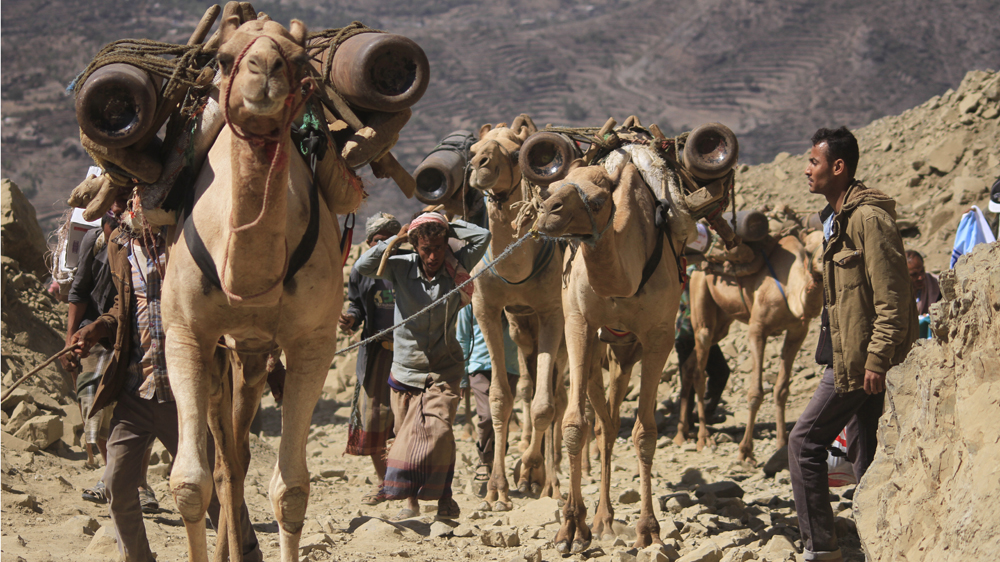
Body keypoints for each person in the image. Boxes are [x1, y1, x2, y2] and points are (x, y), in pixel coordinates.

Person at [70, 194, 263, 562]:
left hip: (186, 397)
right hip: (136, 391)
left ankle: (248, 556)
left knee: (217, 488)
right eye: (125, 203)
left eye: (137, 199)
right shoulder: (119, 246)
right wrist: (98, 327)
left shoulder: (189, 239)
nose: (129, 208)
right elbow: (124, 306)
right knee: (117, 486)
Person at [790, 126, 918, 562]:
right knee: (868, 454)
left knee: (803, 444)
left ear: (838, 167)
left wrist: (877, 359)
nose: (807, 170)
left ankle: (820, 549)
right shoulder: (837, 218)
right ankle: (879, 542)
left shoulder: (869, 220)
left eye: (814, 162)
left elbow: (893, 297)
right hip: (853, 359)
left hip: (861, 362)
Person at [356, 211, 491, 521]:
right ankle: (412, 503)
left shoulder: (457, 266)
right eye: (425, 249)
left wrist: (443, 225)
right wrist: (398, 238)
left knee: (440, 432)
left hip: (445, 368)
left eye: (438, 248)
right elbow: (364, 265)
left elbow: (483, 236)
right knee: (405, 436)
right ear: (415, 247)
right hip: (406, 370)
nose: (432, 256)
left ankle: (444, 497)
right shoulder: (400, 266)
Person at [339, 212, 402, 506]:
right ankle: (384, 484)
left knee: (405, 422)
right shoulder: (361, 271)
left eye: (390, 239)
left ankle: (406, 483)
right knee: (374, 419)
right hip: (376, 354)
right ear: (368, 243)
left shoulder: (408, 266)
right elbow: (356, 305)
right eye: (378, 240)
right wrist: (351, 318)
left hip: (408, 354)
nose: (383, 246)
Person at [456, 304, 519, 485]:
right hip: (480, 366)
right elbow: (462, 339)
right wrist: (462, 378)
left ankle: (498, 462)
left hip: (509, 366)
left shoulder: (513, 300)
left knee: (504, 417)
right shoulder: (470, 304)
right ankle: (484, 459)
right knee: (488, 415)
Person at [674, 264, 731, 422]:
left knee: (720, 373)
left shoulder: (692, 274)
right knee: (689, 378)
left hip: (702, 333)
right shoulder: (690, 276)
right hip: (688, 334)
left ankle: (702, 414)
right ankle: (687, 422)